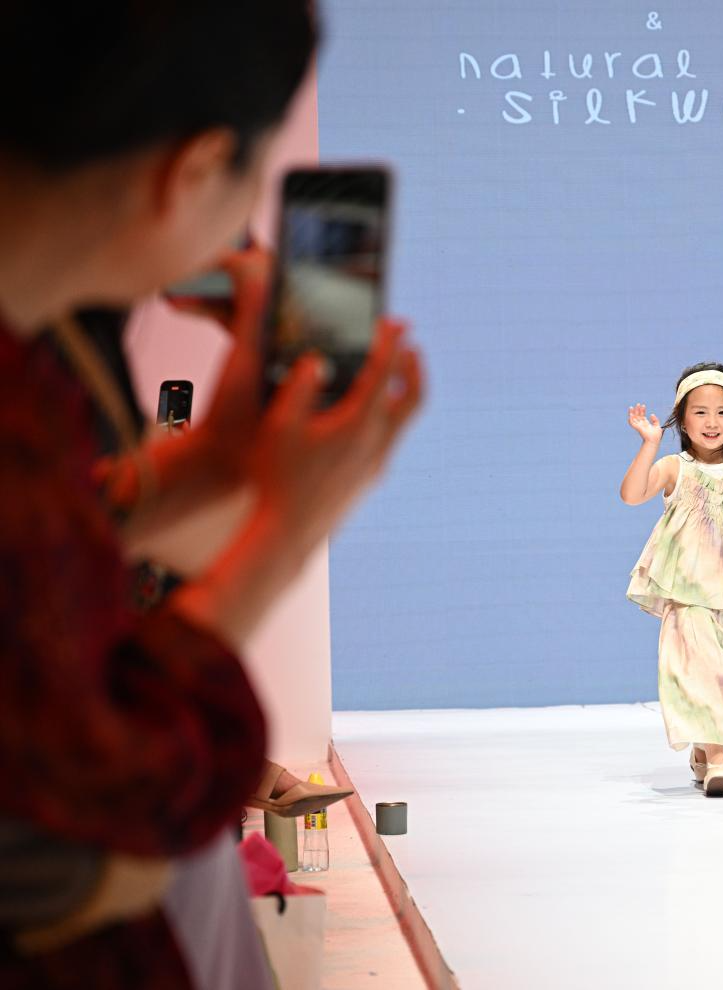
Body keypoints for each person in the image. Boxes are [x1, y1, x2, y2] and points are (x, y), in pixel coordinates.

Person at [0, 3, 423, 988]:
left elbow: (32, 563)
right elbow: (84, 844)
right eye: (247, 180)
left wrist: (205, 470)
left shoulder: (38, 370)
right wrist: (283, 532)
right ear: (191, 171)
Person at [620, 364, 723, 795]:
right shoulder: (675, 468)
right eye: (700, 412)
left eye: (722, 412)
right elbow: (632, 495)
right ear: (681, 419)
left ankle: (703, 749)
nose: (712, 422)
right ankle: (718, 756)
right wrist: (649, 445)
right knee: (704, 669)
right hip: (687, 591)